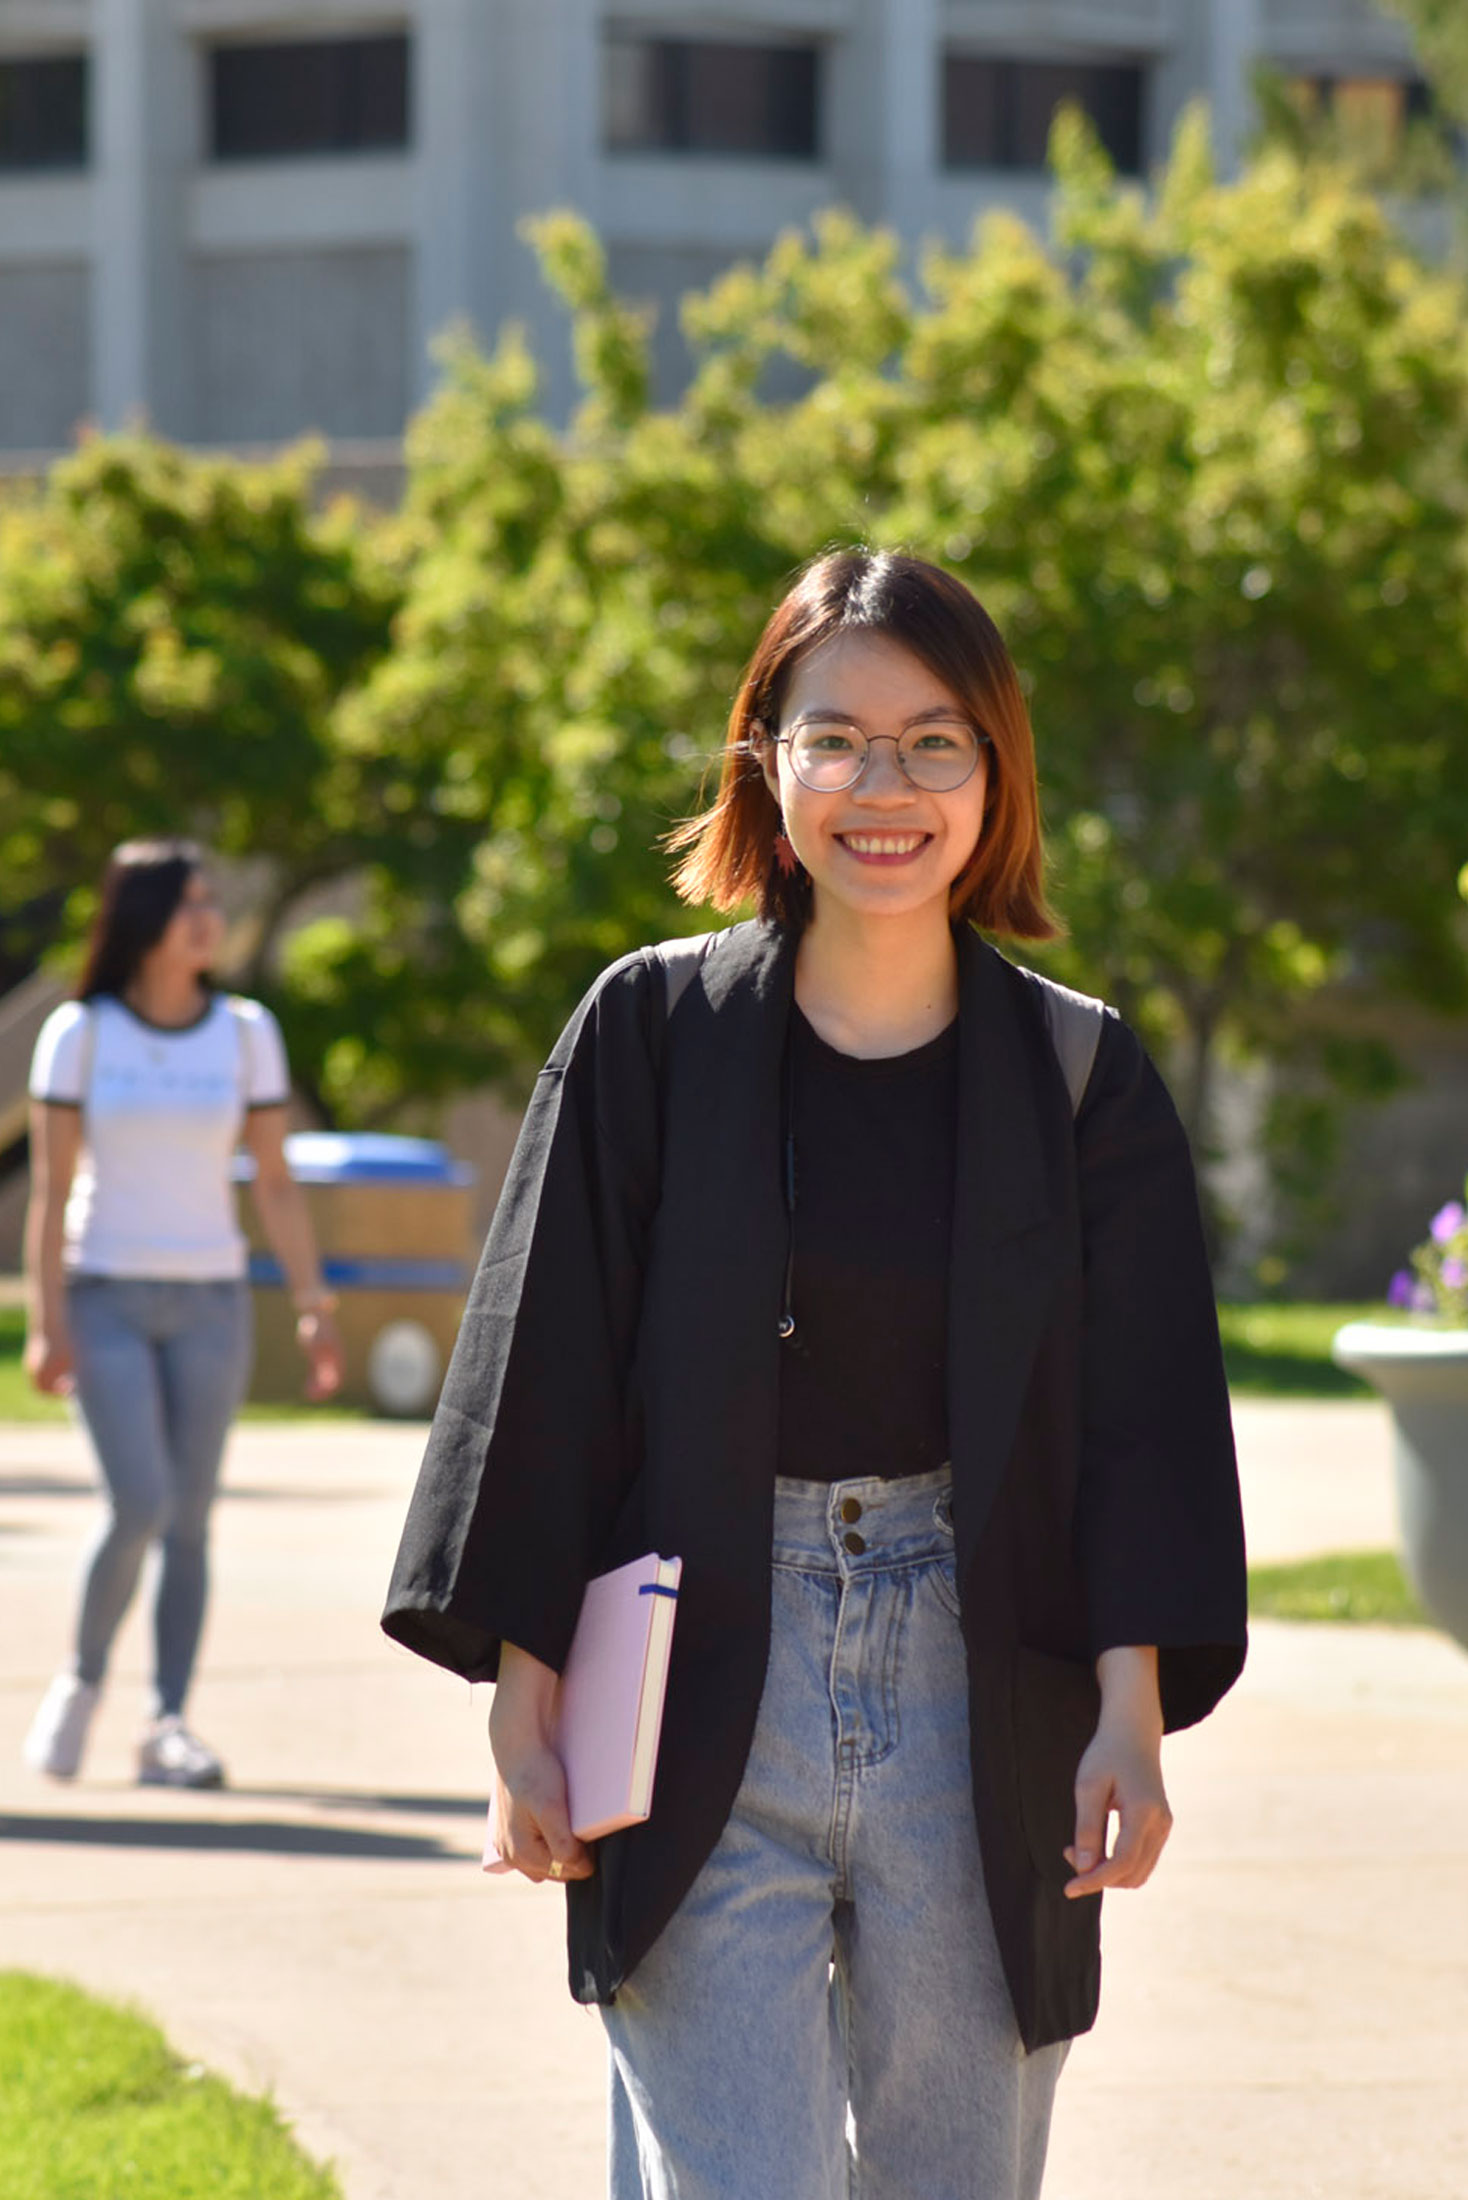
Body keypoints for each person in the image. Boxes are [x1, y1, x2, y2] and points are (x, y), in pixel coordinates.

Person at [382, 550, 1247, 2199]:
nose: (881, 786)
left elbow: (1138, 1423)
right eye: (832, 737)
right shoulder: (649, 1034)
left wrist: (1131, 1713)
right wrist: (521, 1705)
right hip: (696, 1651)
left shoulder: (1077, 1077)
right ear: (761, 761)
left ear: (994, 776)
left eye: (935, 742)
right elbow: (543, 1377)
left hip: (982, 1674)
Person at [22, 838, 343, 1789]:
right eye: (189, 902)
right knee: (141, 1504)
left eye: (213, 900)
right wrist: (47, 1320)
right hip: (106, 1294)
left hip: (211, 1299)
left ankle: (167, 1724)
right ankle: (80, 1684)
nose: (210, 917)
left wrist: (313, 1303)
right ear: (144, 918)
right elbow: (49, 1188)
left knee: (192, 1523)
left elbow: (276, 1184)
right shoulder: (81, 1033)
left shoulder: (246, 1032)